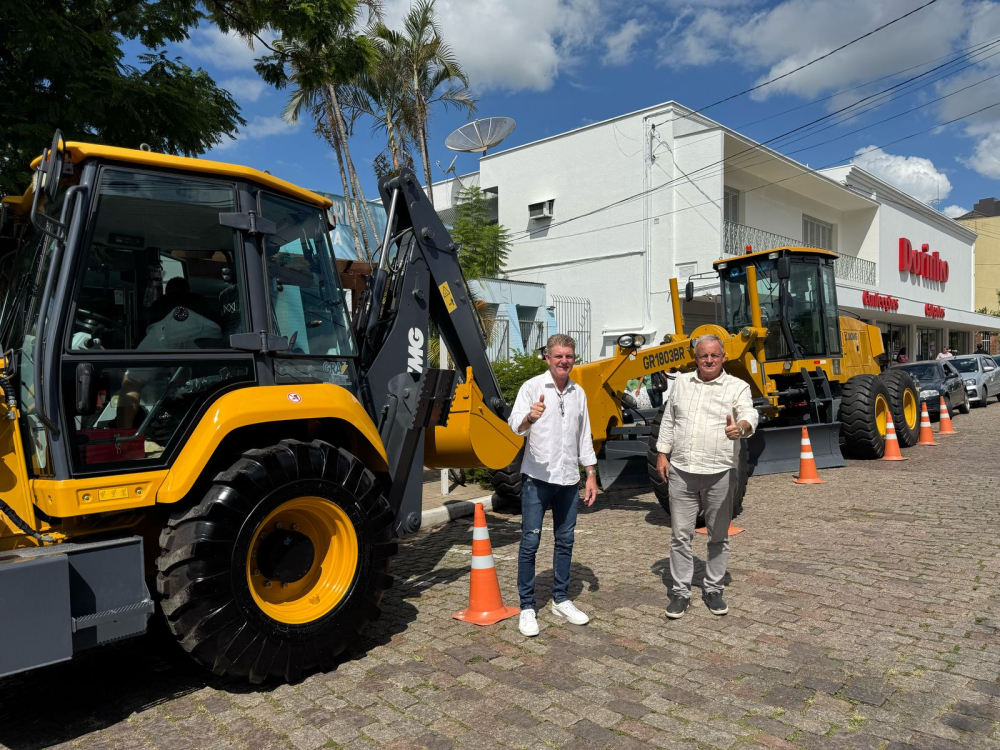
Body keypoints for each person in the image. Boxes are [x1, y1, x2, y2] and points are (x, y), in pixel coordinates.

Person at [654, 334, 758, 619]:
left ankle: (713, 588)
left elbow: (750, 414)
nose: (709, 360)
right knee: (680, 536)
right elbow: (669, 420)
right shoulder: (682, 385)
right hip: (682, 471)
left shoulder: (737, 386)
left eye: (714, 355)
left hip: (720, 473)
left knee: (718, 536)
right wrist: (662, 453)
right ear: (696, 358)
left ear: (723, 357)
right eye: (703, 355)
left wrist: (742, 428)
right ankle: (680, 592)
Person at [508, 333, 599, 637]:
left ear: (574, 359)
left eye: (569, 356)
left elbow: (584, 435)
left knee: (565, 540)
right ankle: (527, 607)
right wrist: (529, 418)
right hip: (537, 479)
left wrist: (590, 473)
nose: (564, 361)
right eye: (558, 356)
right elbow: (515, 426)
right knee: (530, 543)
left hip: (569, 481)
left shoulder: (578, 393)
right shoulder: (532, 387)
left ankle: (561, 599)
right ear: (547, 358)